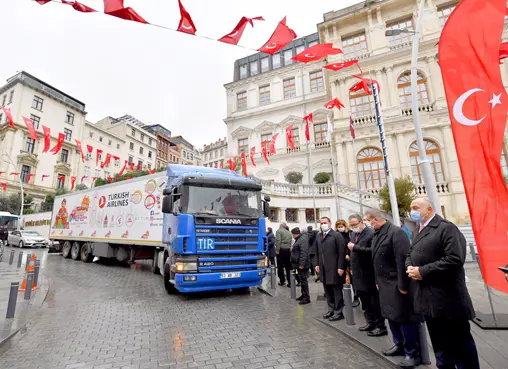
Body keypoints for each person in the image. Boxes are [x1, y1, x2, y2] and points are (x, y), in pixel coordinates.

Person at [406, 198, 480, 369]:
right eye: (411, 208)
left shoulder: (446, 228)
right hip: (428, 300)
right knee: (440, 346)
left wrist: (422, 271)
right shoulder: (418, 230)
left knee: (460, 346)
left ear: (429, 209)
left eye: (415, 207)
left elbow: (454, 259)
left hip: (449, 300)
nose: (412, 211)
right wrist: (409, 267)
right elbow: (410, 253)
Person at [365, 210, 422, 369]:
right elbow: (375, 261)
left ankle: (412, 352)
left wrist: (403, 286)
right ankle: (399, 344)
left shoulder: (396, 233)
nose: (369, 224)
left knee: (404, 317)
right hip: (384, 283)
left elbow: (402, 260)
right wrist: (377, 281)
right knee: (390, 315)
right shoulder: (377, 233)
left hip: (397, 283)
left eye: (369, 221)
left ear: (376, 219)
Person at [347, 214, 387, 337]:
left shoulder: (370, 233)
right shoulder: (353, 234)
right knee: (364, 300)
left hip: (369, 273)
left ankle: (381, 326)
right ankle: (370, 322)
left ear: (361, 222)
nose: (353, 227)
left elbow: (372, 251)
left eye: (355, 224)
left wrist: (356, 248)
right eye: (351, 225)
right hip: (357, 273)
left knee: (374, 300)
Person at [313, 217, 346, 321]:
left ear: (330, 223)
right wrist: (317, 264)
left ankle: (338, 312)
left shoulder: (336, 235)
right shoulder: (319, 236)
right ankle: (331, 309)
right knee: (327, 291)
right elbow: (317, 252)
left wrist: (341, 267)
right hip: (323, 269)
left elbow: (342, 252)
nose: (323, 224)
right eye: (321, 223)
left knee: (336, 291)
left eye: (325, 222)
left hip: (334, 268)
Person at [336, 219, 359, 307]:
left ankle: (356, 298)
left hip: (349, 260)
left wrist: (348, 254)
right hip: (340, 260)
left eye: (341, 226)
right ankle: (341, 298)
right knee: (341, 279)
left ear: (345, 226)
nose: (340, 228)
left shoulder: (350, 233)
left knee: (353, 279)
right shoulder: (336, 234)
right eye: (338, 226)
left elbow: (352, 245)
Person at [290, 227, 311, 305]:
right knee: (300, 278)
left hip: (301, 265)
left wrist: (301, 264)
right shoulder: (299, 239)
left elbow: (304, 253)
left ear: (295, 234)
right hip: (296, 265)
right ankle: (303, 295)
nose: (292, 236)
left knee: (303, 280)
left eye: (292, 234)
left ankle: (306, 298)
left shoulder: (302, 239)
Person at [275, 222, 292, 287]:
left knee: (280, 266)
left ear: (280, 226)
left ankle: (282, 281)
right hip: (288, 250)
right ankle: (290, 282)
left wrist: (277, 250)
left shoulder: (279, 231)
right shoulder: (289, 232)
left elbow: (278, 240)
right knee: (288, 267)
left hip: (281, 250)